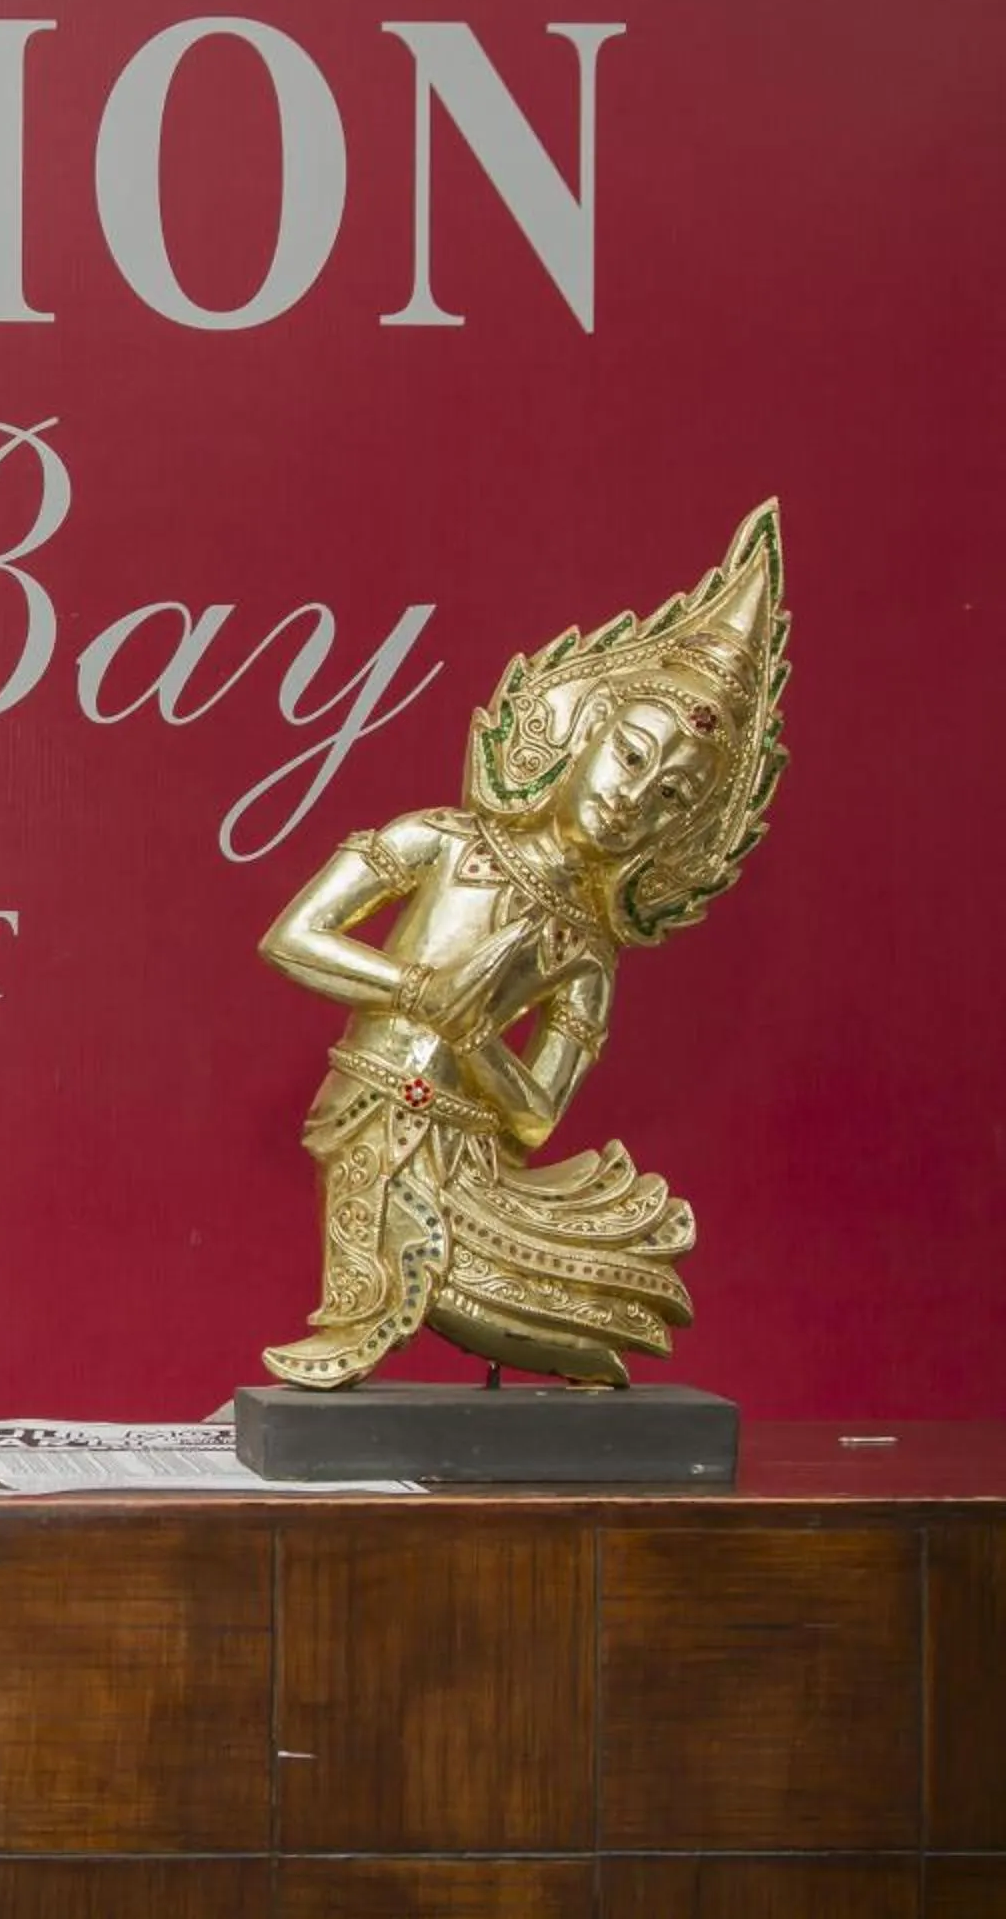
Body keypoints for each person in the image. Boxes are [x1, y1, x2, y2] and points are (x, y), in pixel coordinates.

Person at [256, 501, 789, 1389]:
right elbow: (295, 938)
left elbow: (536, 1114)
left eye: (670, 797)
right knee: (376, 1272)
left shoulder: (586, 952)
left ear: (680, 834)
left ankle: (562, 1336)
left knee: (484, 1299)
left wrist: (473, 1040)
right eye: (630, 757)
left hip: (467, 1143)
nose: (634, 797)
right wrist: (418, 990)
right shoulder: (442, 841)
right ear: (579, 734)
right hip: (368, 1102)